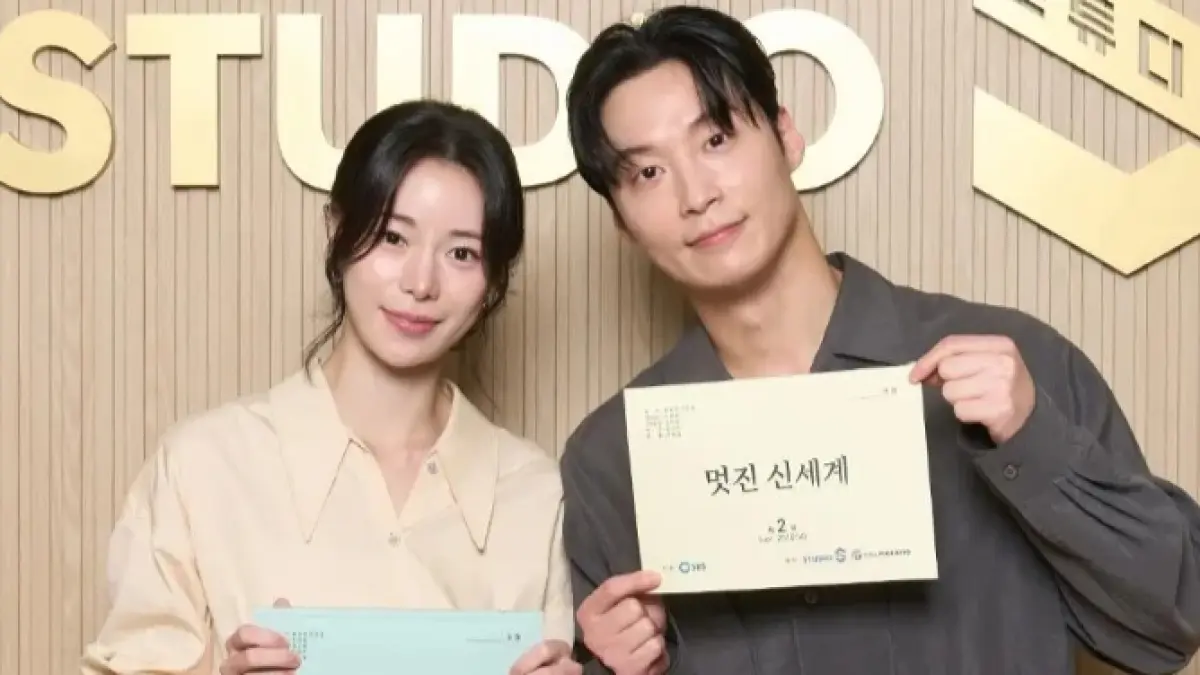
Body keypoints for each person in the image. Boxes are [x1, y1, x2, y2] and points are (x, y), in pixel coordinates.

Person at [558, 6, 1200, 675]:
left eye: (716, 139)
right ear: (622, 223)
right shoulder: (613, 457)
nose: (696, 194)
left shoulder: (1015, 362)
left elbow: (1167, 628)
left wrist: (1033, 440)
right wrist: (615, 668)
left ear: (786, 135)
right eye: (648, 173)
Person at [81, 100, 579, 675]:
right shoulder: (203, 466)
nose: (421, 282)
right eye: (393, 237)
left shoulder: (533, 493)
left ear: (494, 280)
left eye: (462, 253)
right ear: (337, 230)